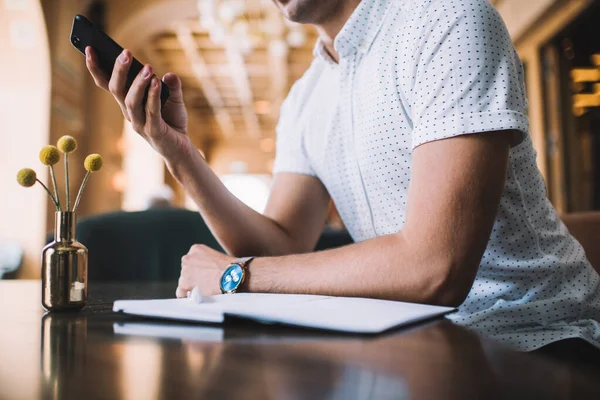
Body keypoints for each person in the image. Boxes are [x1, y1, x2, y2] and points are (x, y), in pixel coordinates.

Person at [85, 0, 600, 355]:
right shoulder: (306, 97)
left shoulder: (448, 20)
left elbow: (434, 268)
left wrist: (235, 277)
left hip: (538, 340)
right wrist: (179, 154)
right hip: (411, 342)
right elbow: (282, 246)